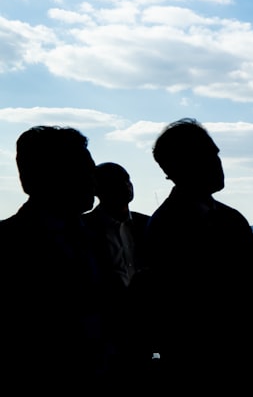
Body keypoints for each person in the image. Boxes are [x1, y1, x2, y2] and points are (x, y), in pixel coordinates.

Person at [140, 118, 253, 386]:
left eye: (215, 155)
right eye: (208, 156)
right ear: (180, 166)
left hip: (219, 358)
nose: (218, 164)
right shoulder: (222, 220)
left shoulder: (167, 224)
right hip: (216, 362)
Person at [0, 126, 111, 382]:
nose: (94, 184)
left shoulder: (93, 236)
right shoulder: (10, 247)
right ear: (51, 176)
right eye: (84, 173)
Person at [84, 161, 153, 376]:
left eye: (127, 180)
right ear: (98, 190)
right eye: (115, 183)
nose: (125, 186)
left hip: (146, 327)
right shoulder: (82, 230)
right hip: (104, 332)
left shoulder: (148, 225)